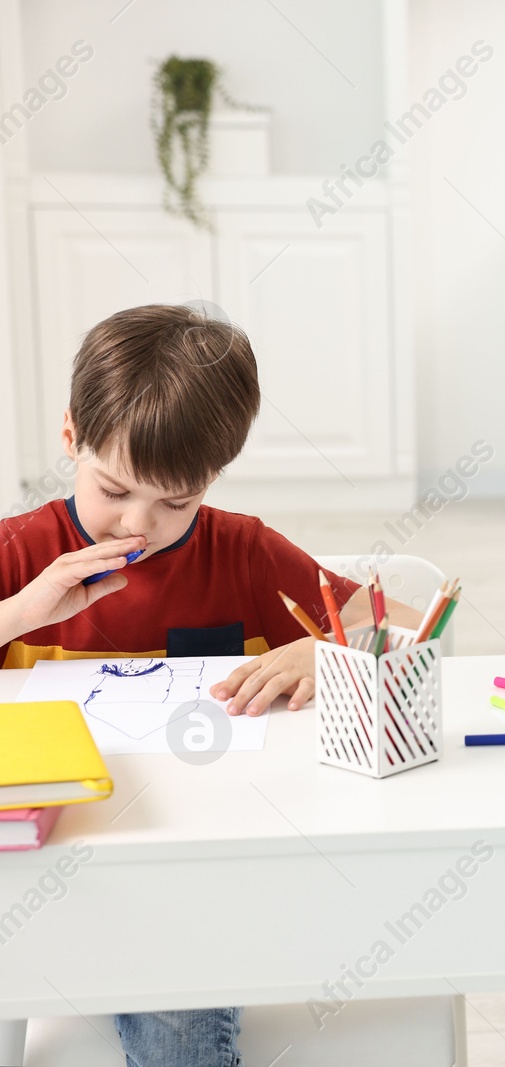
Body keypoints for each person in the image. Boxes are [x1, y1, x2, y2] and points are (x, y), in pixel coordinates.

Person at [0, 304, 417, 1066]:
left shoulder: (245, 552)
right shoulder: (18, 550)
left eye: (176, 501)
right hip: (45, 871)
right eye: (114, 488)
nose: (139, 524)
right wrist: (19, 613)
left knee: (179, 1015)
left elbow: (416, 628)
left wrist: (330, 654)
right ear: (70, 438)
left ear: (212, 479)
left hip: (197, 867)